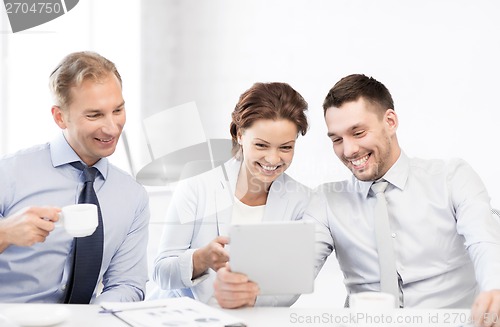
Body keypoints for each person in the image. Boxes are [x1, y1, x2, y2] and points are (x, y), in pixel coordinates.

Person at [214, 74, 500, 322]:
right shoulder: (326, 201)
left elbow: (484, 242)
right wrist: (250, 293)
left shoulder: (451, 178)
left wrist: (494, 289)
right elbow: (294, 272)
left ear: (390, 121)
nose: (349, 150)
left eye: (358, 132)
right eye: (336, 139)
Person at [0, 51, 150, 303]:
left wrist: (92, 319)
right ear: (60, 117)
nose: (112, 127)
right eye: (94, 115)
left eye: (118, 110)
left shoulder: (133, 196)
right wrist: (4, 233)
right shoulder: (9, 174)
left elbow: (128, 284)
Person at [152, 82, 310, 307]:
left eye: (285, 147)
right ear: (239, 134)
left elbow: (291, 284)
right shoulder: (195, 188)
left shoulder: (301, 201)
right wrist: (200, 259)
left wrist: (251, 297)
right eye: (262, 145)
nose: (273, 159)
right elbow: (160, 271)